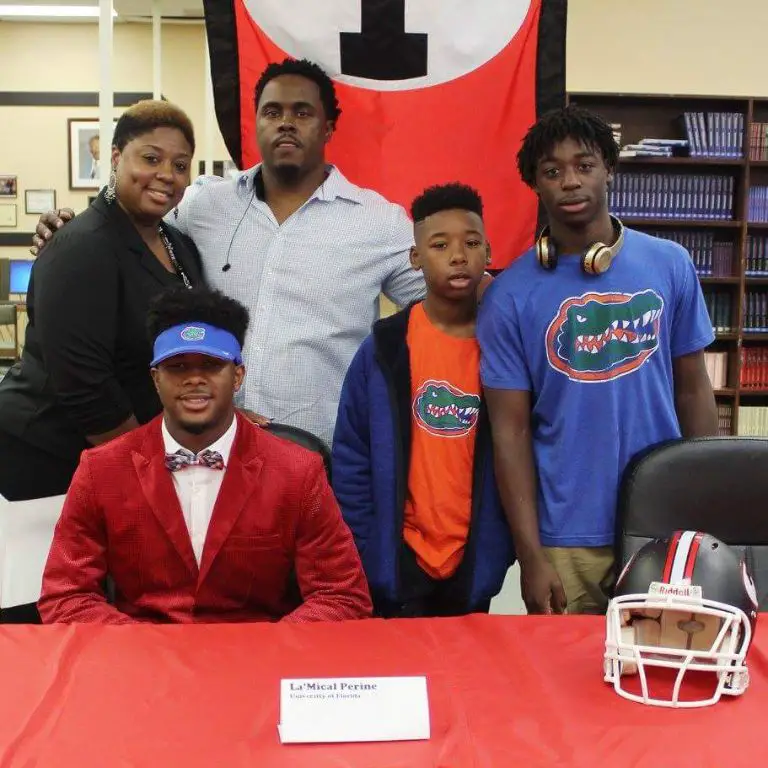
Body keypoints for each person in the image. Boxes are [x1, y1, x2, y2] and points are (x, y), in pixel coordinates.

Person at [32, 58, 426, 449]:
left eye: (302, 112)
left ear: (328, 128)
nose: (285, 122)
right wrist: (67, 229)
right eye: (272, 111)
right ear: (255, 124)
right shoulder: (205, 204)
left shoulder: (379, 223)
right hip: (207, 451)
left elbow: (450, 295)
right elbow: (128, 228)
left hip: (321, 452)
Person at [477, 105, 719, 616]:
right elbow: (511, 433)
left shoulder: (670, 264)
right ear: (535, 185)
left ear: (609, 167)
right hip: (566, 539)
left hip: (663, 521)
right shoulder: (510, 295)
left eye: (584, 165)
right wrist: (531, 554)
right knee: (562, 688)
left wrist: (702, 516)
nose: (569, 181)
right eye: (552, 170)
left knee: (662, 674)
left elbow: (694, 390)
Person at [38, 286, 372, 624]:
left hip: (255, 661)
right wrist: (143, 649)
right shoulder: (101, 471)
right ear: (156, 379)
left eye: (211, 365)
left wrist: (267, 652)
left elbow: (341, 594)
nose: (194, 379)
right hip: (143, 660)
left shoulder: (297, 471)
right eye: (178, 366)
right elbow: (66, 595)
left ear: (238, 376)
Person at [0, 100, 203, 506]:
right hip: (52, 453)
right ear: (115, 157)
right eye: (151, 158)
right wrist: (148, 468)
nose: (167, 175)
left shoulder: (176, 242)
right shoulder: (81, 246)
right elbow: (84, 387)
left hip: (126, 449)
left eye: (180, 166)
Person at [332, 183, 515, 617]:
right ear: (415, 258)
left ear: (488, 252)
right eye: (439, 244)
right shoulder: (384, 348)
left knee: (466, 680)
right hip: (396, 561)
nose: (458, 255)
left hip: (474, 563)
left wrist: (501, 544)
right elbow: (352, 454)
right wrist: (366, 542)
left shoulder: (506, 347)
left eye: (471, 243)